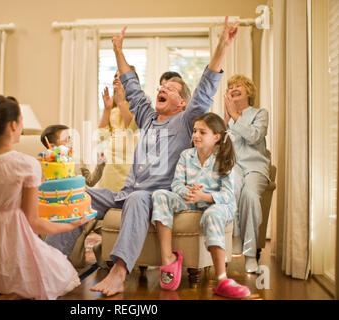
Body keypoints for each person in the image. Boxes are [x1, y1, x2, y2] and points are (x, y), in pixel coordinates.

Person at [46, 17, 239, 297]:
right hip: (125, 192)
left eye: (171, 90)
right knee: (77, 195)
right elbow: (132, 87)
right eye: (162, 87)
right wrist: (118, 51)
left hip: (152, 195)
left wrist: (222, 44)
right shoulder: (148, 119)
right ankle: (50, 264)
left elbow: (206, 86)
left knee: (138, 198)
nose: (162, 89)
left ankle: (119, 271)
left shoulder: (186, 122)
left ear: (183, 102)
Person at [0, 95, 93, 300]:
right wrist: (70, 225)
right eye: (21, 121)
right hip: (14, 243)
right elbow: (34, 222)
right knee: (60, 275)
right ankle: (11, 294)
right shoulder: (25, 165)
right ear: (14, 125)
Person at [152, 112, 250, 298]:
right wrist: (189, 193)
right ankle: (168, 259)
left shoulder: (225, 158)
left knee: (212, 215)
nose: (195, 135)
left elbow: (228, 195)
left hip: (218, 205)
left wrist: (203, 196)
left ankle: (222, 279)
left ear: (216, 137)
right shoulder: (186, 156)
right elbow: (176, 184)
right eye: (195, 131)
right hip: (191, 199)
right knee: (160, 195)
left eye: (202, 132)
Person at [223, 74, 270, 273]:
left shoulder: (260, 113)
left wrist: (235, 116)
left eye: (238, 85)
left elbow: (254, 137)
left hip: (255, 167)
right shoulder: (227, 116)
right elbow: (219, 145)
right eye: (230, 86)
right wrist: (225, 120)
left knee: (250, 195)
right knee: (232, 187)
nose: (233, 88)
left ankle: (250, 254)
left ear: (248, 91)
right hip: (234, 166)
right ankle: (234, 237)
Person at [98, 67, 140, 192]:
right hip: (110, 169)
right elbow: (101, 135)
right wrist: (107, 109)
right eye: (115, 75)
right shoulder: (114, 109)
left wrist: (121, 102)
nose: (116, 78)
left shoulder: (139, 104)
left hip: (128, 168)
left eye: (121, 76)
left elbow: (132, 127)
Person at [40, 124, 106, 187]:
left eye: (70, 138)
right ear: (52, 146)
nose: (70, 141)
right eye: (65, 139)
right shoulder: (45, 166)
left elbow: (91, 182)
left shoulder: (78, 161)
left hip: (80, 196)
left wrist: (100, 163)